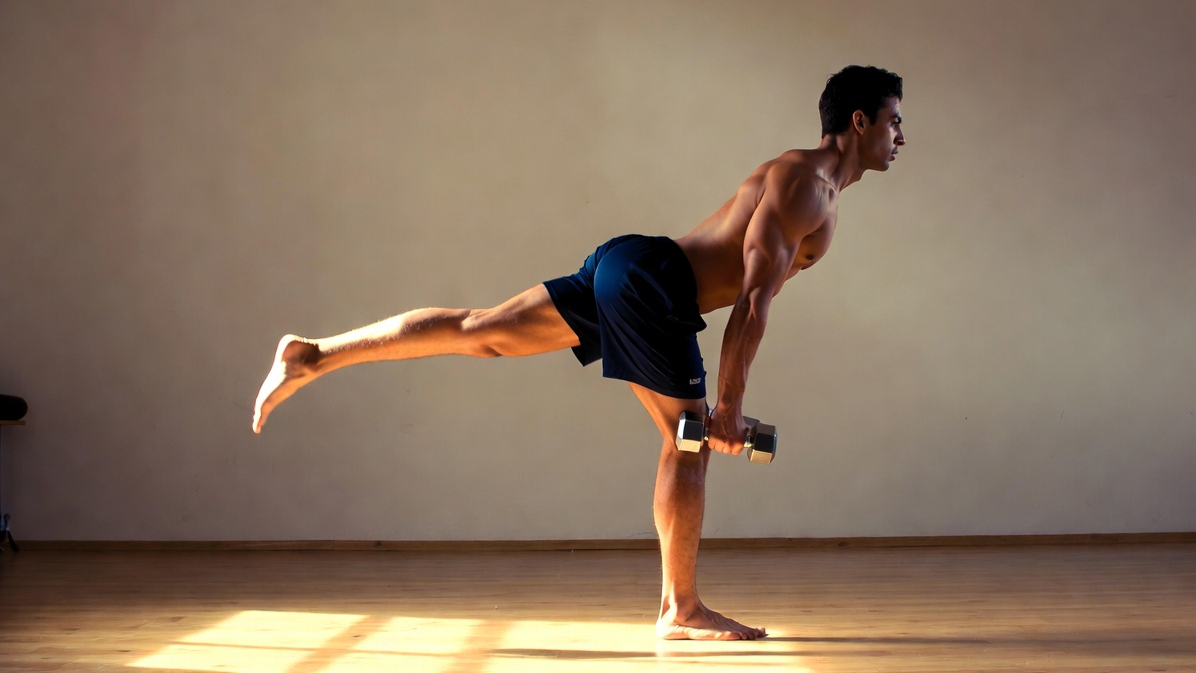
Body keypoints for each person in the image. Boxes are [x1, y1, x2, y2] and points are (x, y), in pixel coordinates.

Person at [252, 65, 905, 641]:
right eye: (894, 121)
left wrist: (726, 406)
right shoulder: (804, 186)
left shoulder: (809, 185)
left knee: (484, 331)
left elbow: (752, 297)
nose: (901, 136)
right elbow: (752, 304)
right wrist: (728, 408)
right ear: (859, 121)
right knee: (689, 440)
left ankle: (314, 355)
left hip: (635, 266)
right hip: (656, 284)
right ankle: (680, 609)